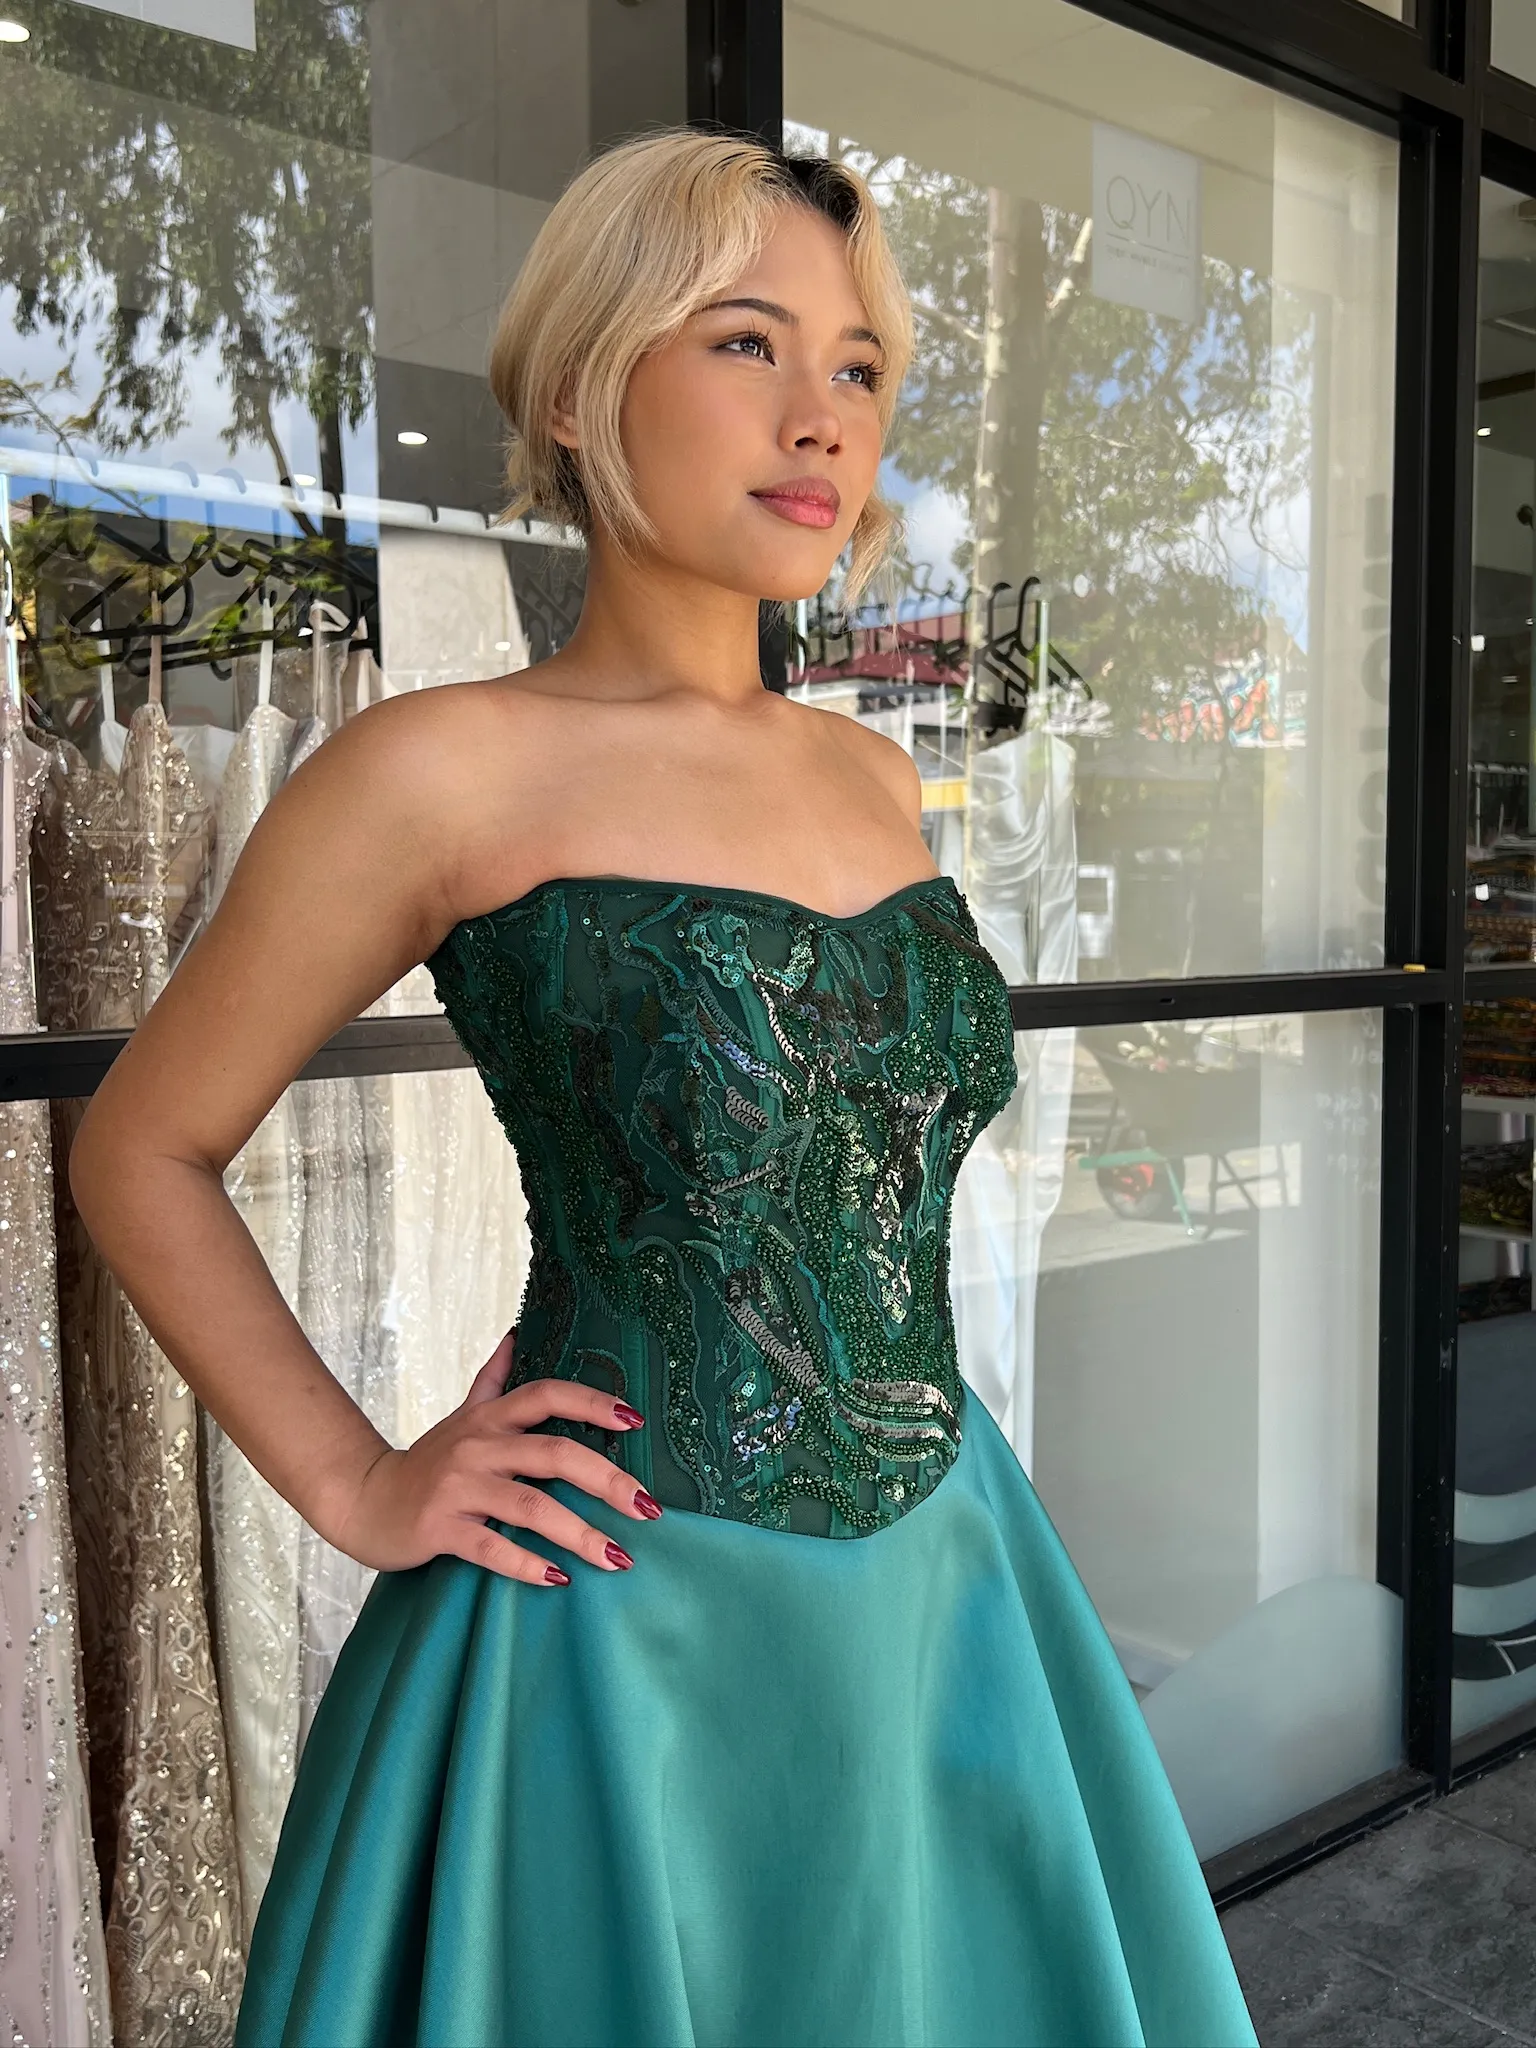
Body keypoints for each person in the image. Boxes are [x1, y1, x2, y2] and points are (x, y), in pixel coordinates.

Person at [69, 128, 1258, 2048]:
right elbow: (145, 1147)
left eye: (858, 367)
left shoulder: (874, 775)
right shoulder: (435, 772)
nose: (822, 416)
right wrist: (360, 1480)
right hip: (620, 1628)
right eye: (745, 344)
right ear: (576, 387)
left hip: (948, 1586)